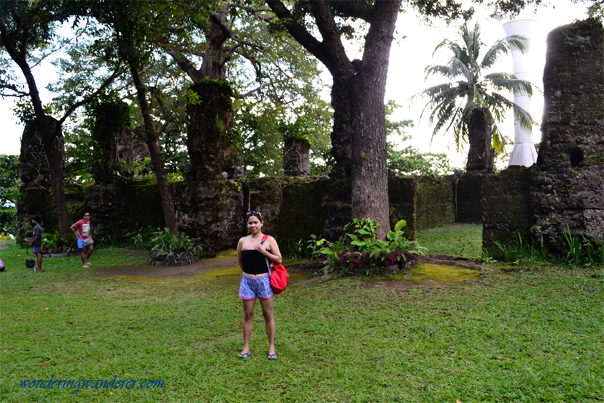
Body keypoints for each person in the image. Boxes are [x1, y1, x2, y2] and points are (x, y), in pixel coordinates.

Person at [236, 211, 282, 360]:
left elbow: (278, 260)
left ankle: (271, 347)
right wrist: (249, 274)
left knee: (268, 314)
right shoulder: (242, 241)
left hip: (264, 281)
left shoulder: (269, 240)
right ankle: (246, 347)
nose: (253, 225)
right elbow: (241, 262)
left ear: (262, 223)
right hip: (247, 281)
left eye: (256, 222)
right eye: (250, 222)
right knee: (248, 315)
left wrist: (263, 252)